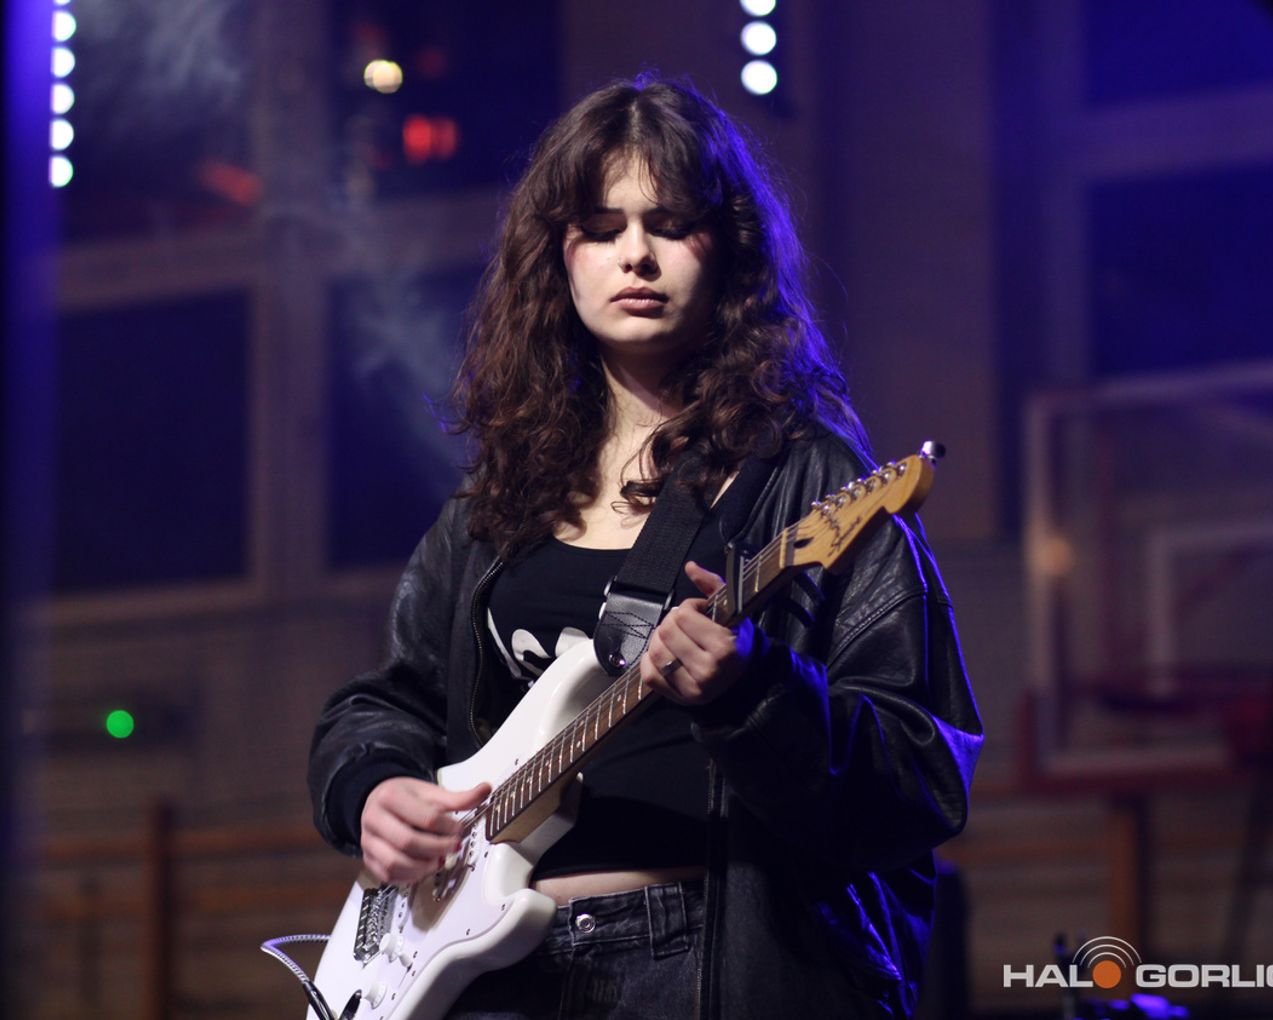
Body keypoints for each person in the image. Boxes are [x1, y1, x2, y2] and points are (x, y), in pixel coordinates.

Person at [308, 74, 982, 1019]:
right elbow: (386, 703)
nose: (636, 254)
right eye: (601, 227)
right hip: (493, 981)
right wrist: (373, 787)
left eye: (670, 224)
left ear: (728, 246)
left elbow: (923, 774)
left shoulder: (813, 479)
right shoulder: (497, 502)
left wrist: (756, 693)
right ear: (558, 256)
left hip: (714, 970)